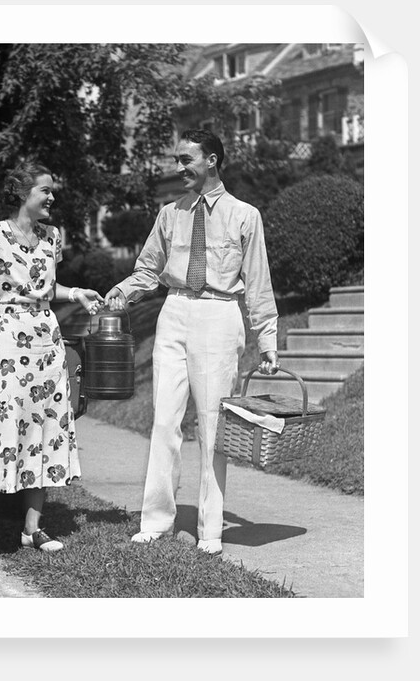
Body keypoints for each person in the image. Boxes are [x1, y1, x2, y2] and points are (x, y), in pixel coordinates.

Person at [103, 128, 279, 556]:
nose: (178, 167)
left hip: (219, 316)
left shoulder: (244, 215)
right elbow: (148, 269)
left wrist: (268, 337)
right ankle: (156, 520)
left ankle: (210, 530)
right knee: (164, 420)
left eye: (186, 160)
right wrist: (121, 293)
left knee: (212, 427)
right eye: (177, 160)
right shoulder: (170, 214)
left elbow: (257, 282)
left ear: (212, 160)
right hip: (175, 311)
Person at [0, 161, 103, 552]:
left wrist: (75, 292)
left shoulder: (51, 237)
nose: (52, 197)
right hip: (12, 337)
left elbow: (46, 286)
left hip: (48, 337)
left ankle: (32, 529)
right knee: (6, 423)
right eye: (45, 190)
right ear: (22, 193)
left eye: (52, 191)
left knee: (47, 424)